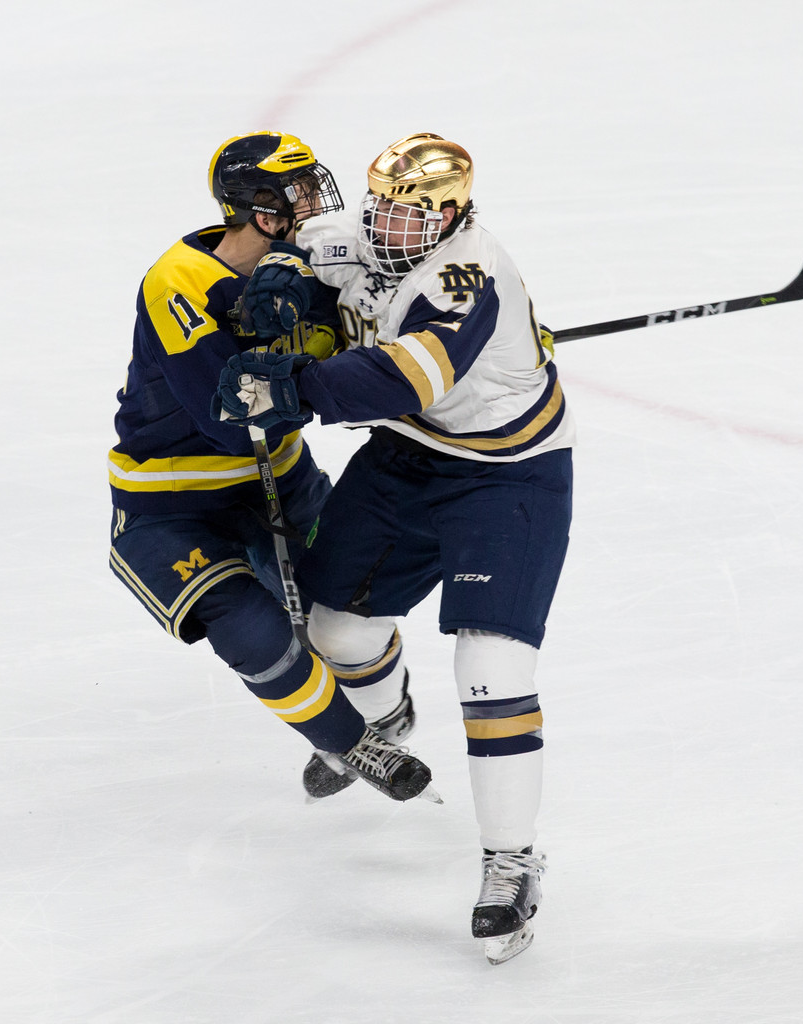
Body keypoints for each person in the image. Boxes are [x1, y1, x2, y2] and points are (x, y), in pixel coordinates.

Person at [216, 132, 576, 963]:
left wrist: (291, 384)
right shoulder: (374, 230)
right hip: (409, 459)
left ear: (450, 215)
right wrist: (280, 284)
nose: (384, 225)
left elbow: (395, 381)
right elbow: (303, 248)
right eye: (380, 205)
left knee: (492, 671)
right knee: (336, 633)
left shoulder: (465, 276)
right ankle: (385, 719)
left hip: (507, 478)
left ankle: (510, 862)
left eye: (408, 214)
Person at [107, 130, 434, 804]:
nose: (317, 201)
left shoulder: (313, 261)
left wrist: (468, 344)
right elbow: (228, 420)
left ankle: (387, 710)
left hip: (282, 476)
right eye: (299, 191)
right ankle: (353, 742)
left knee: (343, 608)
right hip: (173, 504)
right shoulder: (181, 282)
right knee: (248, 628)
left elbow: (374, 329)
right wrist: (315, 378)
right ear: (258, 205)